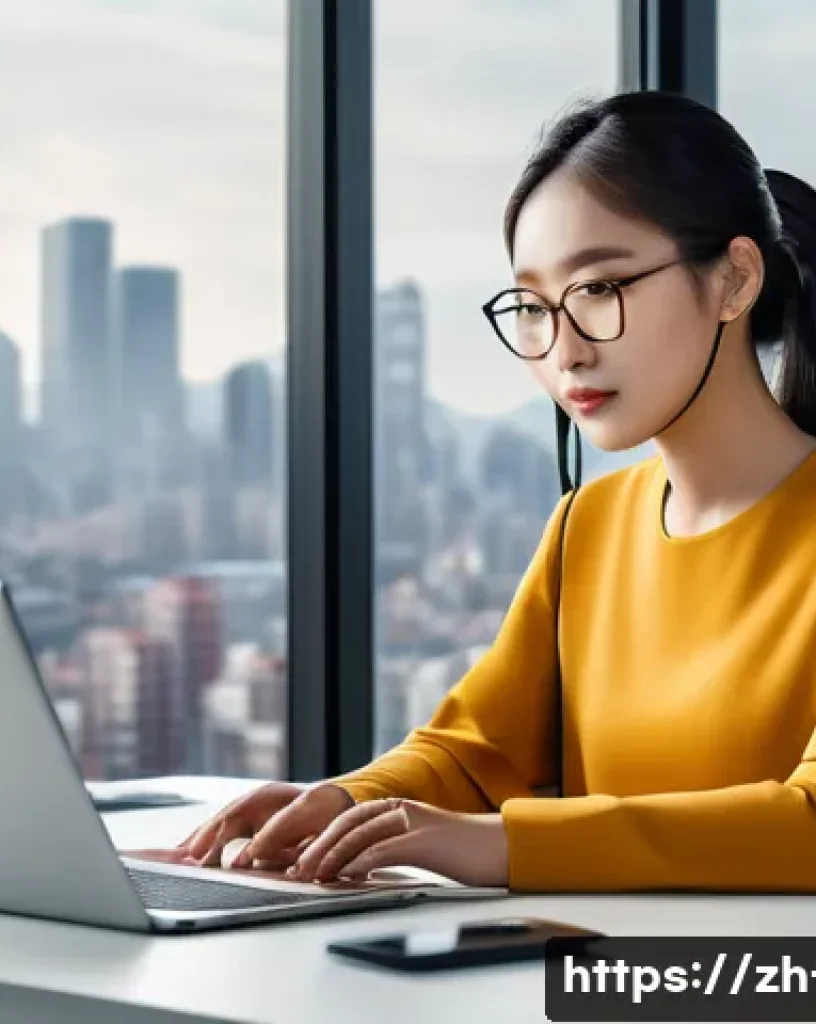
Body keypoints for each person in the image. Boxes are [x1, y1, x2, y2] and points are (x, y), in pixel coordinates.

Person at [177, 90, 816, 893]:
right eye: (533, 306)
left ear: (734, 279)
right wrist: (345, 803)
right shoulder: (587, 526)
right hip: (602, 991)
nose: (564, 351)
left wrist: (499, 846)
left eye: (598, 290)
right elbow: (473, 754)